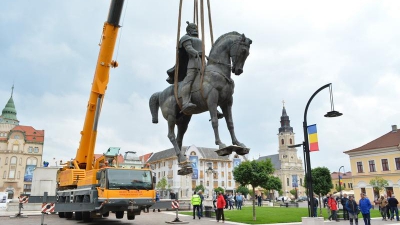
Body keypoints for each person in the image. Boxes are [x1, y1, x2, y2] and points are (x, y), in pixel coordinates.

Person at [166, 21, 202, 114]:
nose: (195, 30)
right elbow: (189, 48)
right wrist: (196, 53)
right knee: (189, 81)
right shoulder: (185, 38)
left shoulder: (198, 39)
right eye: (193, 28)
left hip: (202, 63)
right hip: (192, 64)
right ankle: (186, 102)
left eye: (196, 28)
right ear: (189, 30)